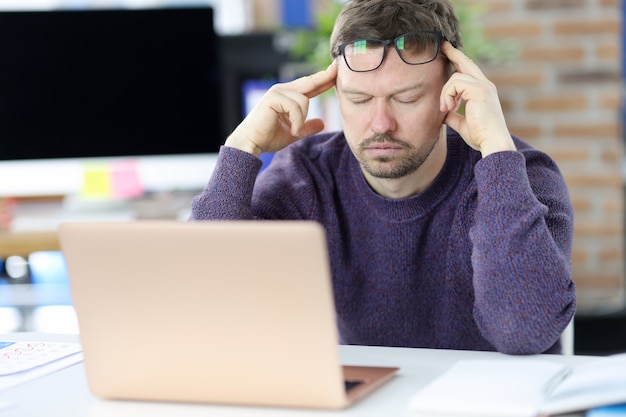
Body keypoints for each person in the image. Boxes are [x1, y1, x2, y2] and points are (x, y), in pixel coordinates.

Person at [189, 0, 576, 355]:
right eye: (358, 100)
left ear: (453, 91)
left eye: (406, 98)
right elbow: (202, 302)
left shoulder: (518, 174)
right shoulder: (308, 176)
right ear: (334, 91)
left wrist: (495, 145)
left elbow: (523, 331)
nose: (380, 124)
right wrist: (242, 147)